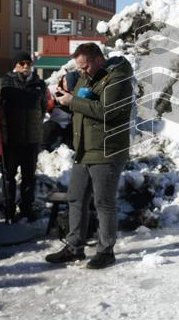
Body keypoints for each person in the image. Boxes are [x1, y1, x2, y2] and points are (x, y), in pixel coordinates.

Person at [46, 43, 133, 269]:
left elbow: (108, 112)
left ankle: (106, 251)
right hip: (84, 149)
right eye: (79, 68)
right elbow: (84, 107)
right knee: (76, 197)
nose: (81, 72)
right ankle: (74, 247)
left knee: (103, 202)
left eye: (84, 66)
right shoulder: (89, 76)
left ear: (98, 60)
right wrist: (64, 100)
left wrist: (72, 101)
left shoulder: (118, 78)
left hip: (107, 149)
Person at [0, 52, 48, 222]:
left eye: (28, 63)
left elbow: (43, 108)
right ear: (15, 64)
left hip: (31, 139)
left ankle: (27, 208)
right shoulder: (4, 82)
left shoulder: (39, 84)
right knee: (9, 177)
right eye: (22, 63)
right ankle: (9, 209)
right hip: (10, 138)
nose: (26, 66)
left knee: (29, 177)